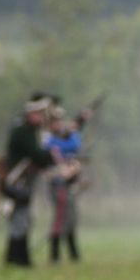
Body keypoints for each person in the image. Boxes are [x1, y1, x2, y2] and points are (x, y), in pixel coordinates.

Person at [0, 95, 54, 267]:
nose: (40, 118)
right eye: (37, 114)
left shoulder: (30, 132)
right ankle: (17, 259)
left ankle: (20, 259)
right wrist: (48, 153)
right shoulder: (23, 132)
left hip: (23, 181)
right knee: (19, 221)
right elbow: (37, 155)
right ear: (30, 114)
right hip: (17, 181)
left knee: (23, 220)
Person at [44, 104, 88, 262]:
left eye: (59, 120)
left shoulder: (66, 135)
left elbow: (75, 145)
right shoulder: (48, 139)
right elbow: (68, 145)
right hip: (57, 183)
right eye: (54, 121)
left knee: (71, 217)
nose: (58, 124)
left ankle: (73, 254)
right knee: (60, 218)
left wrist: (78, 126)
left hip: (69, 182)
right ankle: (55, 255)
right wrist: (74, 131)